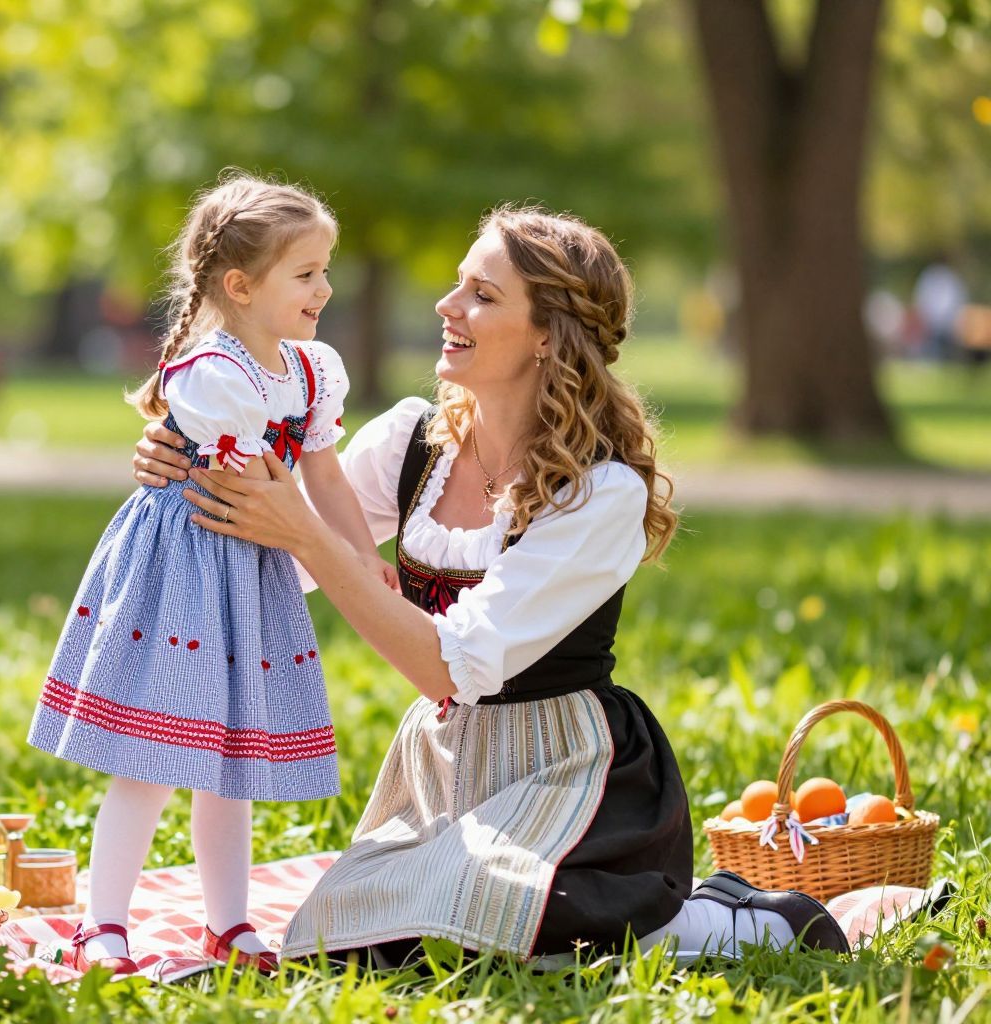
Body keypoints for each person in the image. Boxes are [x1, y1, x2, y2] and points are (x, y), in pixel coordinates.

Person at [132, 205, 849, 966]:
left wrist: (303, 530)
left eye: (482, 294)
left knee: (496, 921)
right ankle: (461, 886)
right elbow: (270, 555)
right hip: (444, 765)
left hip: (570, 766)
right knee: (338, 939)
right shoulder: (413, 443)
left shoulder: (598, 493)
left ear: (548, 335)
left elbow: (447, 666)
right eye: (457, 286)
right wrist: (182, 468)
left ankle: (738, 925)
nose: (447, 306)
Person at [26, 173, 395, 976]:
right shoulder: (211, 374)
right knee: (154, 758)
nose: (325, 288)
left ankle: (226, 922)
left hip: (250, 571)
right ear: (240, 284)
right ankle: (103, 923)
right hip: (187, 569)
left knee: (235, 761)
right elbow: (260, 475)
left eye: (325, 270)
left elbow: (323, 476)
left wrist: (362, 556)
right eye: (305, 274)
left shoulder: (310, 370)